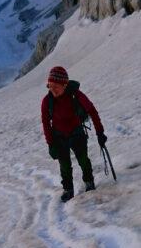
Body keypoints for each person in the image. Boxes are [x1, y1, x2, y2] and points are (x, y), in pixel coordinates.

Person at [41, 66, 107, 202]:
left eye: (56, 86)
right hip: (59, 136)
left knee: (83, 159)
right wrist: (50, 144)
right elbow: (46, 124)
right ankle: (68, 190)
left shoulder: (76, 95)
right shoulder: (47, 102)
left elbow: (92, 111)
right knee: (64, 165)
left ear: (65, 85)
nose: (52, 89)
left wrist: (100, 132)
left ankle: (89, 182)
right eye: (50, 86)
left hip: (77, 132)